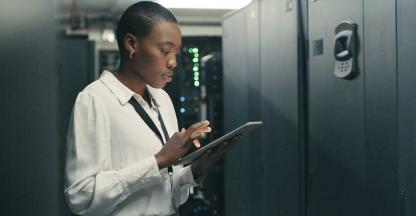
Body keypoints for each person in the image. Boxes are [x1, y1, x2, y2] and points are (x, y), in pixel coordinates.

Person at [64, 1, 236, 216]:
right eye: (165, 51)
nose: (173, 62)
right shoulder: (95, 100)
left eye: (176, 52)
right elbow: (81, 197)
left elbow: (171, 195)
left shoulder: (162, 99)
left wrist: (195, 170)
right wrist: (158, 161)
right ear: (131, 44)